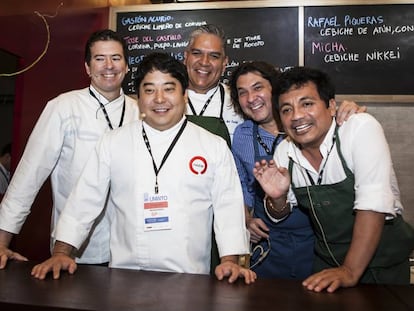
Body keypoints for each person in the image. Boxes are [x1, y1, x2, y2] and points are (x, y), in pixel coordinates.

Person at [31, 52, 256, 285]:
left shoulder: (213, 146)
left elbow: (227, 209)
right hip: (124, 276)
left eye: (169, 89)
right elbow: (84, 201)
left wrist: (230, 261)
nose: (159, 99)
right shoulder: (112, 142)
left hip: (189, 279)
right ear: (138, 98)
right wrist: (60, 254)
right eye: (149, 90)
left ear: (184, 95)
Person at [253, 66, 414, 292]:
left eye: (307, 104)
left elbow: (373, 205)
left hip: (382, 265)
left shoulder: (358, 129)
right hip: (328, 264)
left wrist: (349, 270)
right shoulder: (284, 152)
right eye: (286, 109)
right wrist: (277, 199)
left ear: (330, 106)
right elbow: (281, 213)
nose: (297, 116)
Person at [0, 29, 139, 268]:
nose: (109, 65)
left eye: (116, 58)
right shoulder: (63, 107)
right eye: (99, 58)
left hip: (130, 249)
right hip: (75, 251)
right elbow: (28, 177)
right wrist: (2, 242)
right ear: (87, 67)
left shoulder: (140, 111)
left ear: (126, 66)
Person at [230, 61, 366, 279]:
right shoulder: (242, 135)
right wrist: (245, 219)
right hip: (270, 242)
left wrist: (348, 113)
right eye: (242, 93)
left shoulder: (310, 127)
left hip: (316, 240)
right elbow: (242, 186)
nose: (251, 98)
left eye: (258, 88)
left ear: (275, 89)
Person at [184, 24, 243, 141]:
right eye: (197, 53)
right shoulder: (166, 100)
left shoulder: (239, 101)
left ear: (224, 63)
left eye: (214, 56)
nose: (204, 62)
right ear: (186, 57)